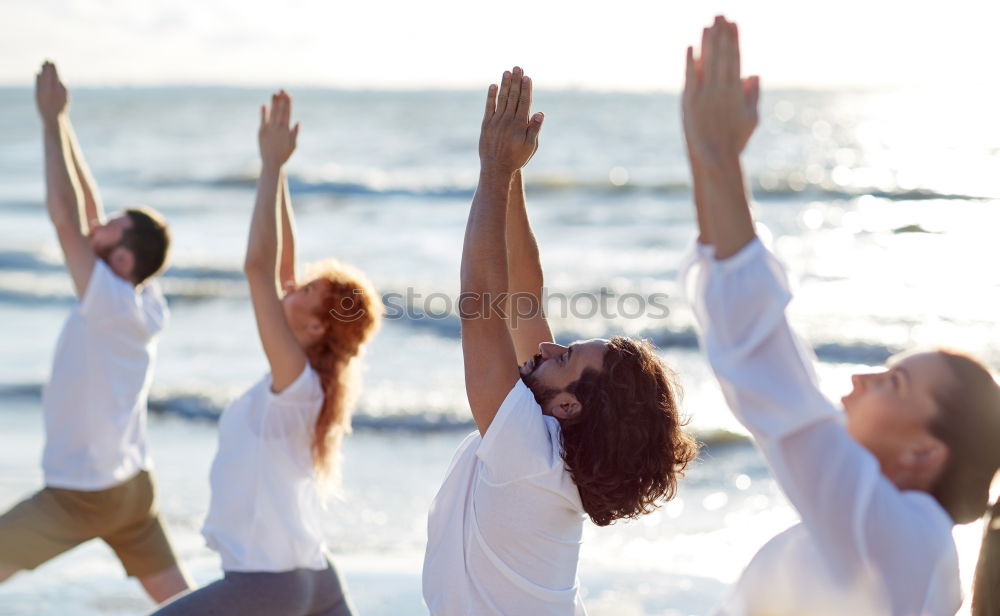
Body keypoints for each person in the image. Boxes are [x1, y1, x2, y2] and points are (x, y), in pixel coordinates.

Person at [681, 16, 1000, 615]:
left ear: (924, 453)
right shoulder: (877, 539)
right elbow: (759, 358)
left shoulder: (909, 543)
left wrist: (720, 160)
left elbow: (781, 388)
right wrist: (706, 160)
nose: (859, 379)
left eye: (893, 382)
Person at [422, 67, 698, 615]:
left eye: (564, 356)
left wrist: (494, 170)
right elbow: (523, 294)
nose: (547, 348)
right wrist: (514, 174)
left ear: (570, 405)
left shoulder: (529, 450)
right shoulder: (549, 444)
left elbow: (481, 302)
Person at [152, 90, 380, 616]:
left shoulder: (295, 381)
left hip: (267, 586)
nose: (290, 288)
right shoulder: (308, 381)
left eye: (303, 292)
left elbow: (258, 267)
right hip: (315, 579)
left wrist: (271, 166)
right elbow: (278, 267)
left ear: (317, 325)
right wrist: (274, 171)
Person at [0, 61, 189, 604]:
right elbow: (85, 208)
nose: (95, 227)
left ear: (124, 258)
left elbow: (64, 216)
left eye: (111, 229)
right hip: (131, 488)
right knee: (179, 603)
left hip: (83, 494)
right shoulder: (142, 299)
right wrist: (64, 121)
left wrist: (45, 123)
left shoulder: (107, 303)